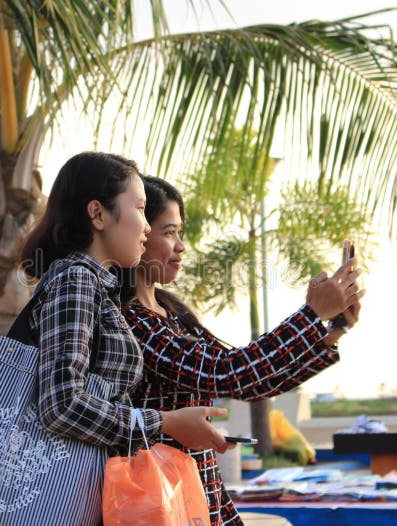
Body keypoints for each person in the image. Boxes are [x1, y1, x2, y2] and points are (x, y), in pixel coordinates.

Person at [118, 176, 364, 526]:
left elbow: (255, 381)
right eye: (169, 232)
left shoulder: (171, 313)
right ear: (140, 232)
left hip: (202, 497)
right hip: (165, 502)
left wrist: (332, 331)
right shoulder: (134, 322)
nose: (181, 246)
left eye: (180, 233)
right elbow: (229, 372)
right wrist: (311, 315)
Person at [18, 152, 228, 461]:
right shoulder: (77, 281)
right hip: (68, 495)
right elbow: (61, 406)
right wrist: (166, 422)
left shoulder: (97, 286)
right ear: (98, 215)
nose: (146, 227)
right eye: (141, 210)